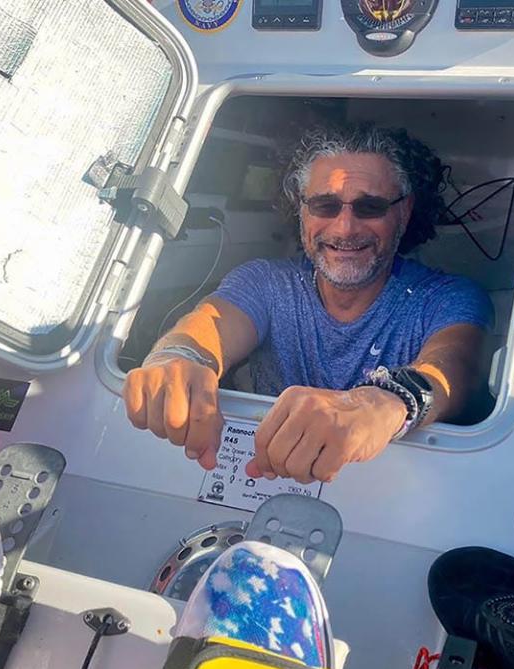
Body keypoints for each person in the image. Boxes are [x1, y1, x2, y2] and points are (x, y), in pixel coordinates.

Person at [123, 123, 493, 483]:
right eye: (325, 205)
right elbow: (211, 325)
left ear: (405, 211)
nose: (345, 228)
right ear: (301, 209)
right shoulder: (266, 282)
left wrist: (383, 402)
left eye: (370, 207)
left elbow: (454, 367)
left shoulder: (446, 297)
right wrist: (178, 359)